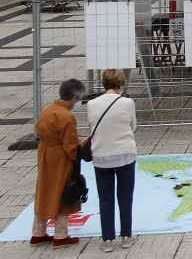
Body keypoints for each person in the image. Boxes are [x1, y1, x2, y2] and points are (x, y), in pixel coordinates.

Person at [87, 69, 137, 252]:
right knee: (125, 198)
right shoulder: (127, 103)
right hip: (125, 154)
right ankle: (126, 236)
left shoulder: (92, 104)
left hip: (101, 156)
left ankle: (107, 239)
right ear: (120, 84)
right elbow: (133, 126)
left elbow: (91, 126)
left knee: (105, 199)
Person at [32, 78, 86, 249]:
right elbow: (71, 148)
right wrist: (85, 142)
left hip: (45, 154)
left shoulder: (48, 109)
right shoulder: (67, 116)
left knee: (44, 191)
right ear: (74, 98)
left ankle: (38, 232)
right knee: (63, 192)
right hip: (60, 159)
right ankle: (61, 235)